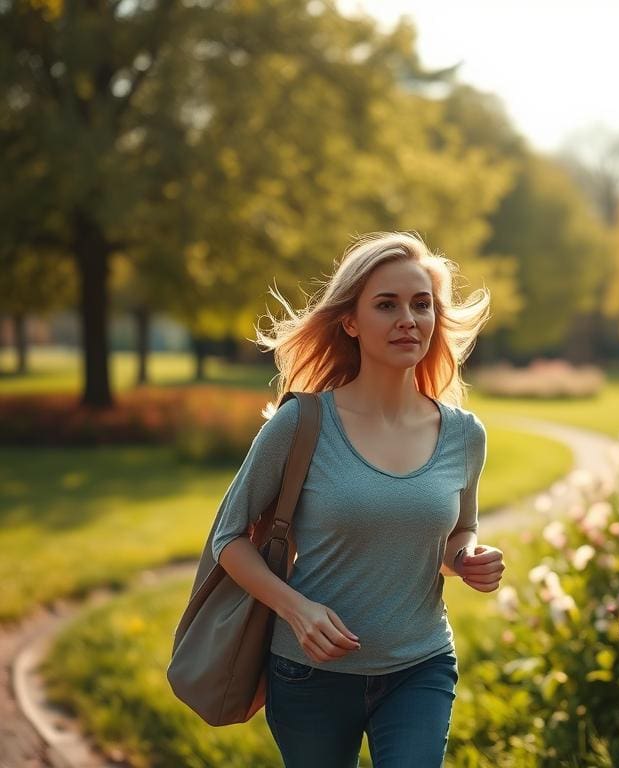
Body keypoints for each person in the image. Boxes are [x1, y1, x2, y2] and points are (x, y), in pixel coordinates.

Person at [211, 231, 505, 768]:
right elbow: (226, 539)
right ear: (350, 321)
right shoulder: (300, 424)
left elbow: (458, 531)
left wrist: (466, 559)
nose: (408, 320)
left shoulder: (465, 435)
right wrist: (295, 610)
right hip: (308, 674)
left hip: (421, 666)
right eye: (386, 305)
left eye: (421, 305)